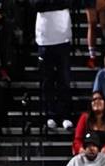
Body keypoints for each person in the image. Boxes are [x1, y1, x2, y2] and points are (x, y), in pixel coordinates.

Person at [32, 0, 73, 130]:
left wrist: (48, 4)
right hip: (44, 38)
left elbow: (68, 3)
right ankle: (50, 115)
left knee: (64, 79)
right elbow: (36, 5)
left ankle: (65, 115)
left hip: (63, 35)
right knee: (47, 80)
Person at [72, 91, 105, 158]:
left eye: (100, 99)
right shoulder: (84, 117)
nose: (97, 101)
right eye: (94, 99)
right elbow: (77, 140)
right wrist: (80, 149)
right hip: (87, 155)